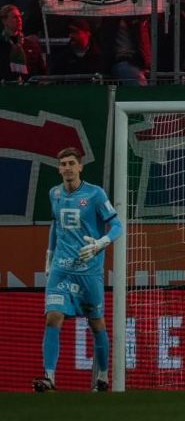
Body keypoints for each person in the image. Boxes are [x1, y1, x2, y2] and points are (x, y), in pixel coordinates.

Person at [35, 145, 122, 392]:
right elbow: (55, 225)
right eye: (63, 164)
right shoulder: (55, 193)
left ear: (80, 166)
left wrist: (100, 243)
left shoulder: (95, 195)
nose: (68, 169)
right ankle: (49, 378)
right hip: (62, 269)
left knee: (97, 325)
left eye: (72, 163)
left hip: (89, 271)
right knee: (53, 318)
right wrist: (49, 257)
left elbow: (117, 226)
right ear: (58, 168)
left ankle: (103, 377)